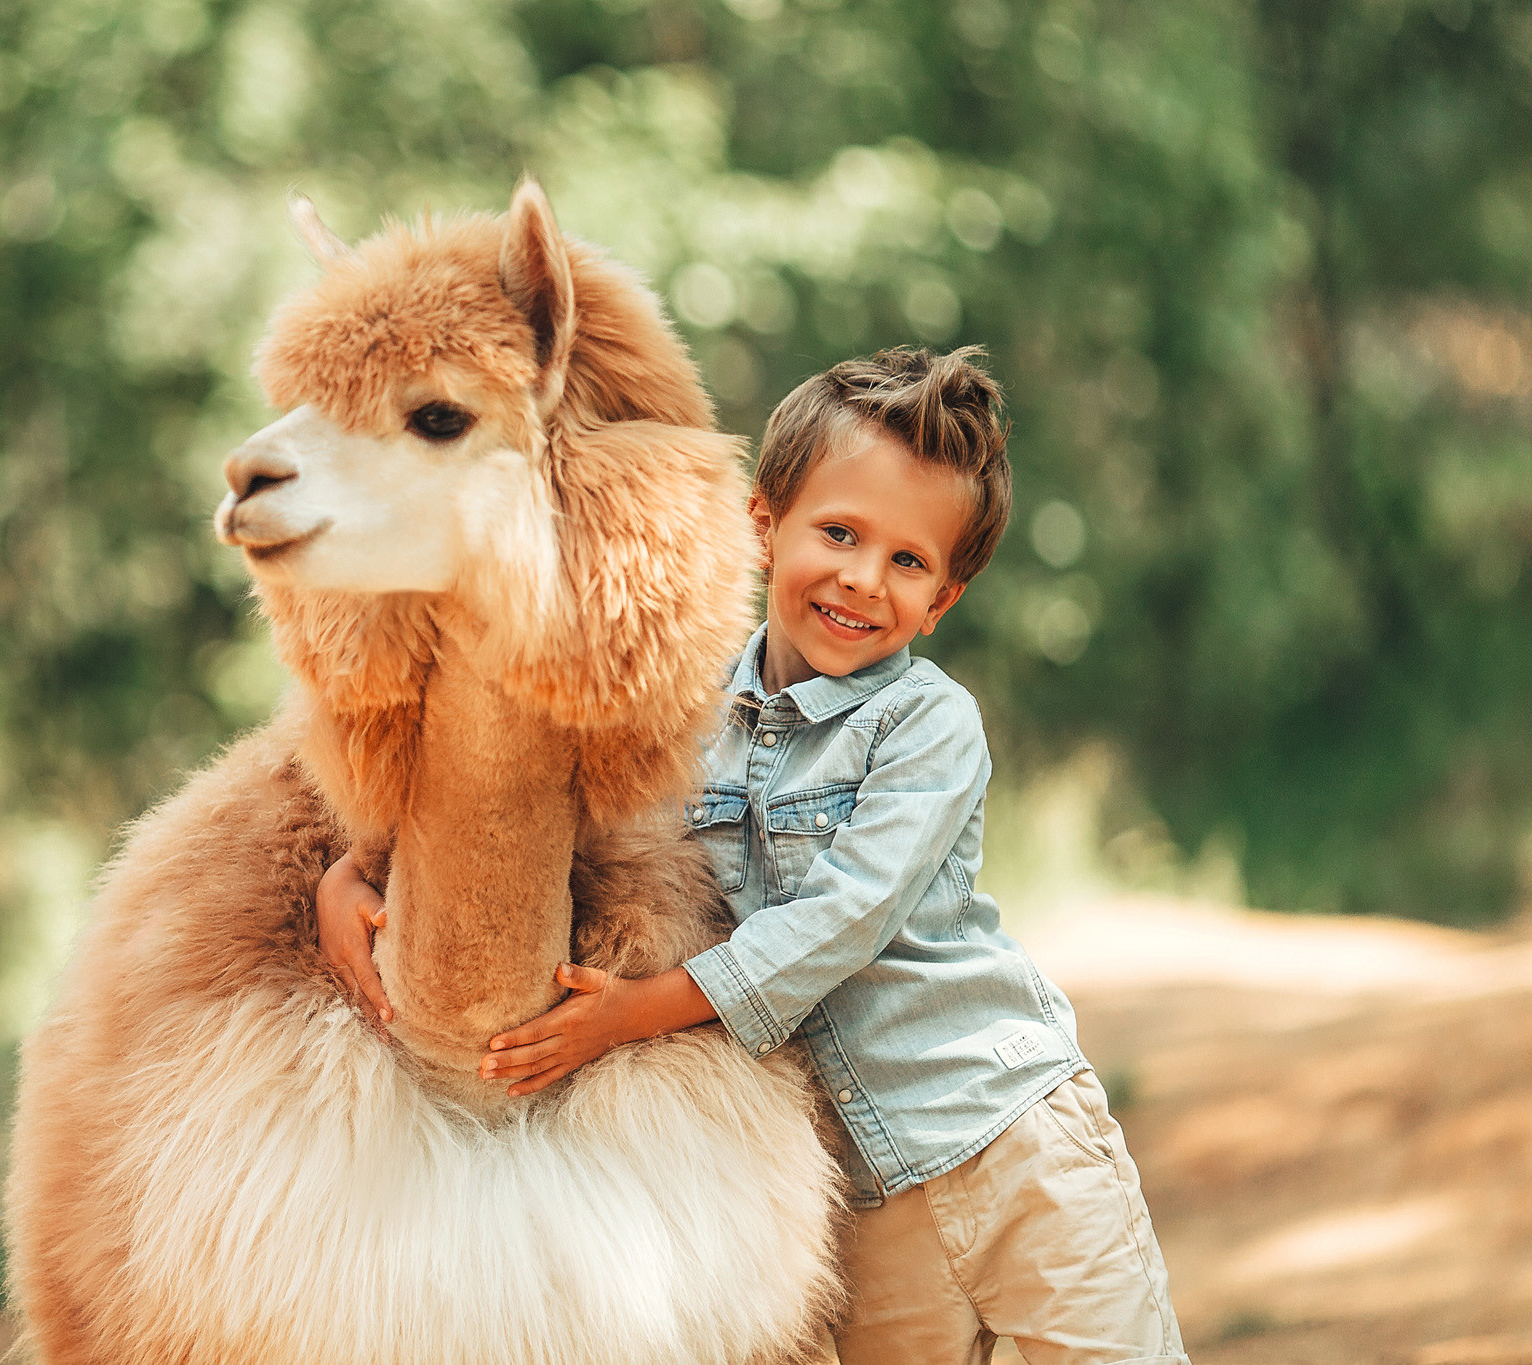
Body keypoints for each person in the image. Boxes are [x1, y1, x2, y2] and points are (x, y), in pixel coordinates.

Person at [317, 346, 1188, 1365]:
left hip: (1010, 1141)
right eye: (838, 534)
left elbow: (841, 921)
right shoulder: (674, 718)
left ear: (941, 600)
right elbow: (536, 798)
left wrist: (635, 1013)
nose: (863, 580)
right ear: (764, 525)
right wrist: (360, 864)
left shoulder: (924, 725)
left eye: (907, 563)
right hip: (856, 1193)